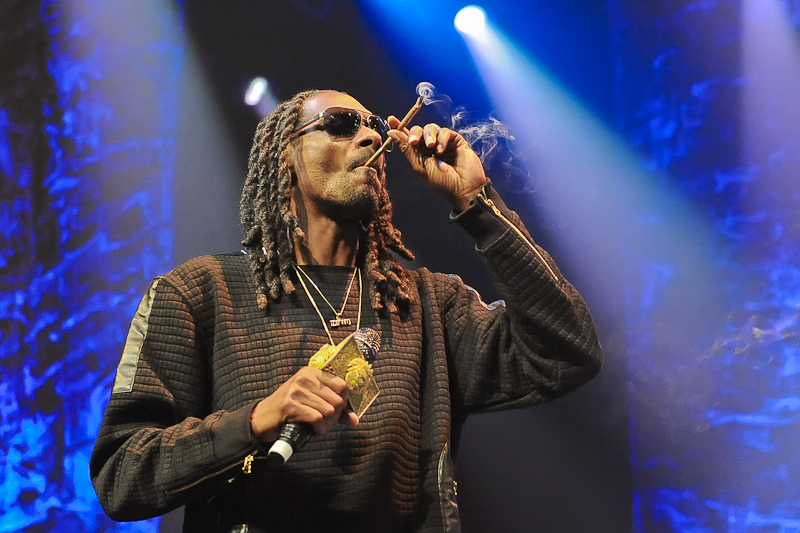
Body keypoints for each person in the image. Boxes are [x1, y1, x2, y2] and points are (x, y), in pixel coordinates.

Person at [90, 89, 603, 533]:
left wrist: (477, 203)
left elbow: (566, 350)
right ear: (285, 158)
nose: (368, 138)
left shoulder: (428, 304)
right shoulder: (201, 292)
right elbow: (122, 475)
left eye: (375, 127)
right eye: (339, 125)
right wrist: (257, 419)